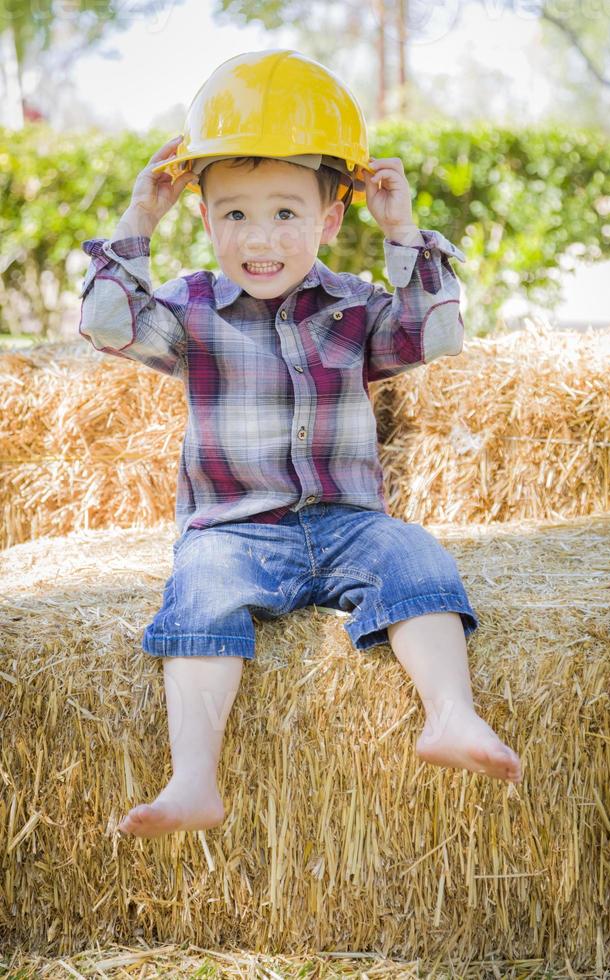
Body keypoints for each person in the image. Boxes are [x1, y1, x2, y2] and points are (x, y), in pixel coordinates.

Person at [78, 50, 522, 839]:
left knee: (418, 557)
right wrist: (137, 220)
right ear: (206, 219)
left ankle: (452, 716)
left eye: (286, 213)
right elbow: (106, 325)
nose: (262, 238)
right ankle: (194, 780)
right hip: (234, 529)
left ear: (329, 220)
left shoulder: (353, 306)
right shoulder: (188, 310)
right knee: (200, 595)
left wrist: (402, 231)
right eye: (237, 214)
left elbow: (439, 332)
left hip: (346, 521)